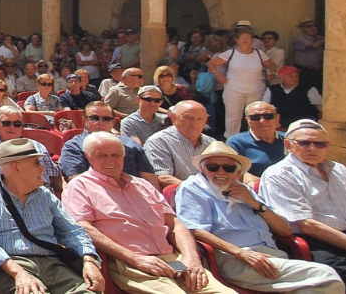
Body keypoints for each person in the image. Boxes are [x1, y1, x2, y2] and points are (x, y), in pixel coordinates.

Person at [63, 132, 236, 294]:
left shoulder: (143, 184)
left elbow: (174, 223)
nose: (110, 161)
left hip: (173, 259)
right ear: (89, 157)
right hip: (130, 263)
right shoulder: (79, 187)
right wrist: (135, 259)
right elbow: (84, 229)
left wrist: (191, 258)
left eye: (115, 155)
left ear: (123, 156)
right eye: (102, 155)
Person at [174, 141, 342, 294]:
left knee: (308, 289)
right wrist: (242, 254)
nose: (220, 172)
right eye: (213, 167)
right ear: (202, 169)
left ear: (238, 172)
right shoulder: (193, 188)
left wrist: (254, 203)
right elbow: (194, 230)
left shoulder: (245, 191)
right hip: (234, 259)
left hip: (272, 256)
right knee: (326, 276)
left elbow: (285, 230)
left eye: (228, 168)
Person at [0, 139, 103, 294]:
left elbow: (73, 231)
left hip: (55, 265)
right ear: (16, 167)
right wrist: (18, 272)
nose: (43, 169)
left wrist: (88, 259)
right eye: (36, 163)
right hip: (15, 264)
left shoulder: (45, 195)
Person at [260, 119, 346, 283]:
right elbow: (307, 225)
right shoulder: (279, 174)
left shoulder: (339, 170)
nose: (312, 148)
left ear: (327, 147)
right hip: (317, 243)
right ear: (288, 145)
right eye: (304, 143)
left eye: (319, 144)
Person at [59, 102, 158, 187]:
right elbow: (78, 183)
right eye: (94, 118)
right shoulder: (73, 146)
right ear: (85, 121)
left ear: (113, 122)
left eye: (106, 119)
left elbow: (149, 180)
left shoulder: (130, 144)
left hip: (136, 195)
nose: (100, 123)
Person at [0, 106, 63, 192]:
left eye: (17, 124)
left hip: (44, 197)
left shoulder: (37, 146)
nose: (12, 127)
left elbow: (55, 178)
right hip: (6, 201)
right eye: (6, 123)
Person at [143, 101, 215, 188]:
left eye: (200, 119)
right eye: (188, 118)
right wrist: (197, 191)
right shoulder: (158, 141)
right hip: (177, 197)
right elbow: (163, 178)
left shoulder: (211, 143)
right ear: (173, 118)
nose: (194, 123)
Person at [224, 102, 284, 181]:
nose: (262, 121)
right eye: (255, 117)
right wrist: (248, 179)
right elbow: (231, 169)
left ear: (277, 118)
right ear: (247, 120)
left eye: (268, 116)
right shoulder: (236, 142)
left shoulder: (290, 139)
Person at [290, 20, 324, 89]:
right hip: (302, 71)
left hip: (317, 72)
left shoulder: (320, 38)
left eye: (315, 26)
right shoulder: (298, 39)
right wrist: (330, 38)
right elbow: (314, 45)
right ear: (302, 29)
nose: (313, 28)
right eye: (309, 26)